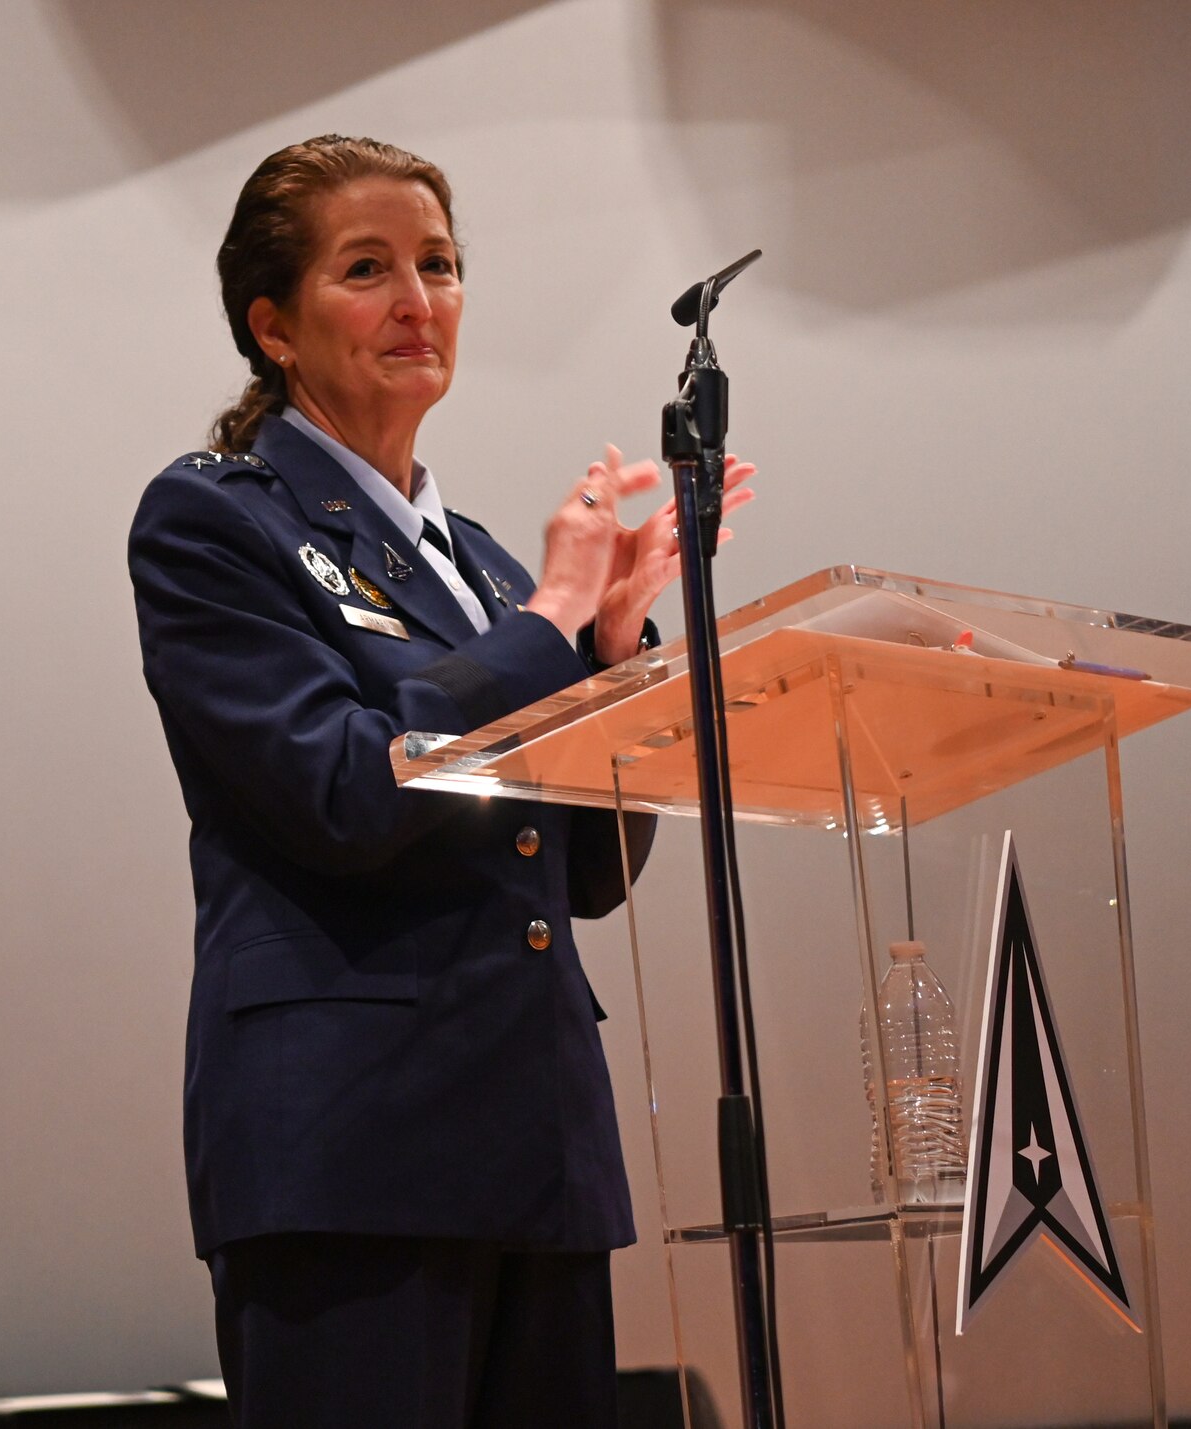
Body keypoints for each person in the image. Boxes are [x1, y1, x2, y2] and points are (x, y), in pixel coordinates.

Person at [127, 135, 755, 1429]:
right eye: (369, 269)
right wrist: (552, 618)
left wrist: (613, 648)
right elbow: (348, 792)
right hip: (353, 1149)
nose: (420, 300)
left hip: (536, 1149)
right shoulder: (215, 523)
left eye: (441, 264)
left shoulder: (472, 559)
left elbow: (585, 874)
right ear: (276, 327)